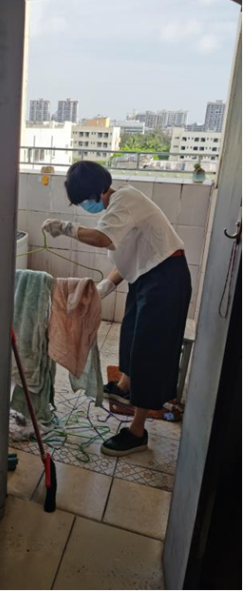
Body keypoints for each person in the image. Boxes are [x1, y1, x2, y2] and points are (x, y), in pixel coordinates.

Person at [42, 161, 192, 456]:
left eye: (84, 199)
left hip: (166, 279)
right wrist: (103, 288)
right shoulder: (115, 209)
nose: (85, 205)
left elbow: (103, 239)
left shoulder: (126, 198)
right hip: (146, 278)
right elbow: (127, 259)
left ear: (98, 190)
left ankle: (137, 432)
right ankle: (124, 386)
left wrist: (66, 228)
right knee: (131, 334)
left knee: (149, 350)